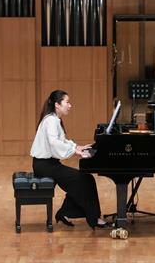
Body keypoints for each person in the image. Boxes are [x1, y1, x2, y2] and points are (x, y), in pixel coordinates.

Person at [30, 89, 111, 229]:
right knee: (85, 179)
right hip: (44, 166)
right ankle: (94, 218)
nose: (70, 105)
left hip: (48, 165)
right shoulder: (51, 120)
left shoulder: (54, 119)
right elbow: (54, 143)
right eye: (67, 102)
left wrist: (77, 147)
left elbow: (62, 141)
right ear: (57, 105)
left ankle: (65, 213)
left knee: (83, 180)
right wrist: (76, 151)